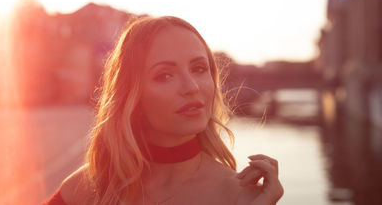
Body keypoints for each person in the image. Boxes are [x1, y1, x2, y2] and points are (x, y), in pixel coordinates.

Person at [43, 16, 283, 205]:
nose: (191, 87)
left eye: (199, 68)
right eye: (165, 75)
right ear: (131, 95)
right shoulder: (91, 186)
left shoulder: (238, 196)